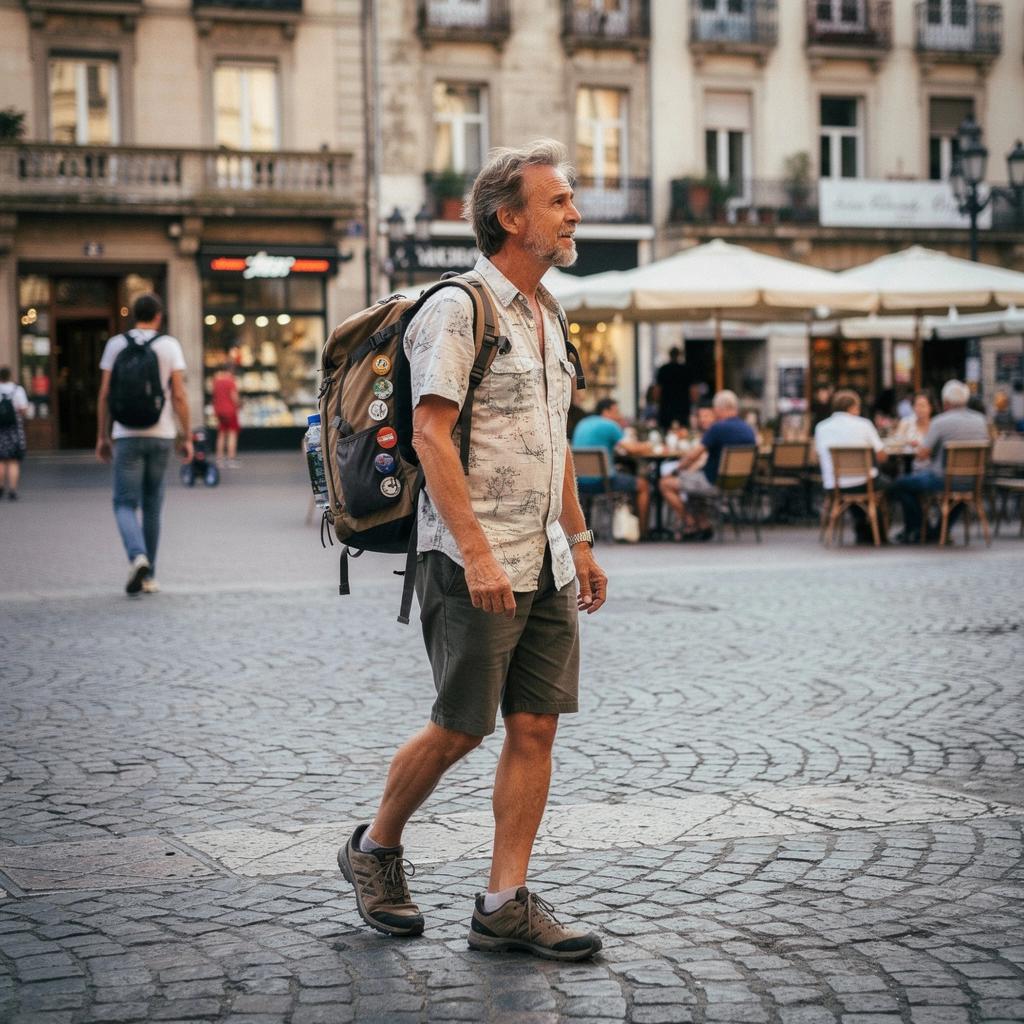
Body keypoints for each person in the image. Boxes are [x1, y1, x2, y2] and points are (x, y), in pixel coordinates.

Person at [338, 140, 606, 961]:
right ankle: (374, 849)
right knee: (461, 727)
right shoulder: (460, 309)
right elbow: (430, 434)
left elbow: (553, 441)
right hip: (470, 561)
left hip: (549, 559)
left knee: (536, 727)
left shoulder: (548, 315)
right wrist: (478, 552)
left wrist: (582, 539)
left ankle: (503, 903)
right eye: (558, 201)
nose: (574, 213)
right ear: (510, 218)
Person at [96, 293, 192, 594]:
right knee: (153, 505)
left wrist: (103, 435)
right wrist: (186, 435)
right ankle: (149, 575)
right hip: (161, 434)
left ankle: (137, 556)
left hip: (126, 435)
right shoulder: (168, 345)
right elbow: (178, 395)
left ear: (133, 315)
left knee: (124, 503)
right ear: (159, 316)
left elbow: (105, 394)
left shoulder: (116, 344)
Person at [888, 379, 989, 544]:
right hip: (974, 480)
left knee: (899, 485)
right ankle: (937, 532)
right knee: (960, 493)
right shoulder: (981, 421)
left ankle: (923, 528)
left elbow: (922, 454)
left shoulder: (940, 421)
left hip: (942, 478)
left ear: (946, 402)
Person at [659, 389, 755, 540]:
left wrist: (677, 469)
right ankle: (703, 525)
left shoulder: (717, 428)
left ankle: (690, 522)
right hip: (739, 482)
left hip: (714, 482)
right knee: (693, 482)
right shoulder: (748, 429)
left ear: (719, 409)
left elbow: (693, 455)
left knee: (665, 483)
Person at [813, 389, 888, 544]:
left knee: (856, 486)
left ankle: (862, 529)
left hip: (833, 484)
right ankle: (878, 532)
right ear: (853, 407)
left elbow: (817, 456)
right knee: (885, 485)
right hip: (864, 483)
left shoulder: (821, 427)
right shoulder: (864, 424)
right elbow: (881, 455)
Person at [572, 397, 651, 540]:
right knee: (643, 485)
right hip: (602, 481)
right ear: (606, 411)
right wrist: (648, 445)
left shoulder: (582, 423)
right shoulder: (610, 425)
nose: (619, 415)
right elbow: (632, 449)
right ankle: (643, 532)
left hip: (579, 482)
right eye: (616, 412)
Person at [0, 367, 29, 500]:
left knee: (0, 460)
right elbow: (23, 410)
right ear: (10, 375)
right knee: (13, 461)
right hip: (14, 429)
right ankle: (12, 490)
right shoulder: (17, 390)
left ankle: (0, 487)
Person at [892, 389, 934, 471]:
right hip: (910, 467)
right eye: (916, 405)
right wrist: (907, 443)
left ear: (930, 407)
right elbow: (895, 444)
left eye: (923, 406)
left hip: (932, 469)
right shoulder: (906, 423)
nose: (919, 409)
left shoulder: (936, 425)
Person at [212, 362, 241, 466]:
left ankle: (219, 459)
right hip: (230, 411)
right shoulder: (231, 381)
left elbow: (214, 396)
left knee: (221, 434)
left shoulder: (216, 381)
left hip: (219, 410)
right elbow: (234, 397)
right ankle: (231, 458)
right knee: (232, 434)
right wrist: (239, 405)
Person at [655, 346, 689, 432]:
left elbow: (657, 389)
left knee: (665, 430)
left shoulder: (663, 369)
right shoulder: (685, 369)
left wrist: (657, 401)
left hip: (667, 404)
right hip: (682, 404)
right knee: (682, 429)